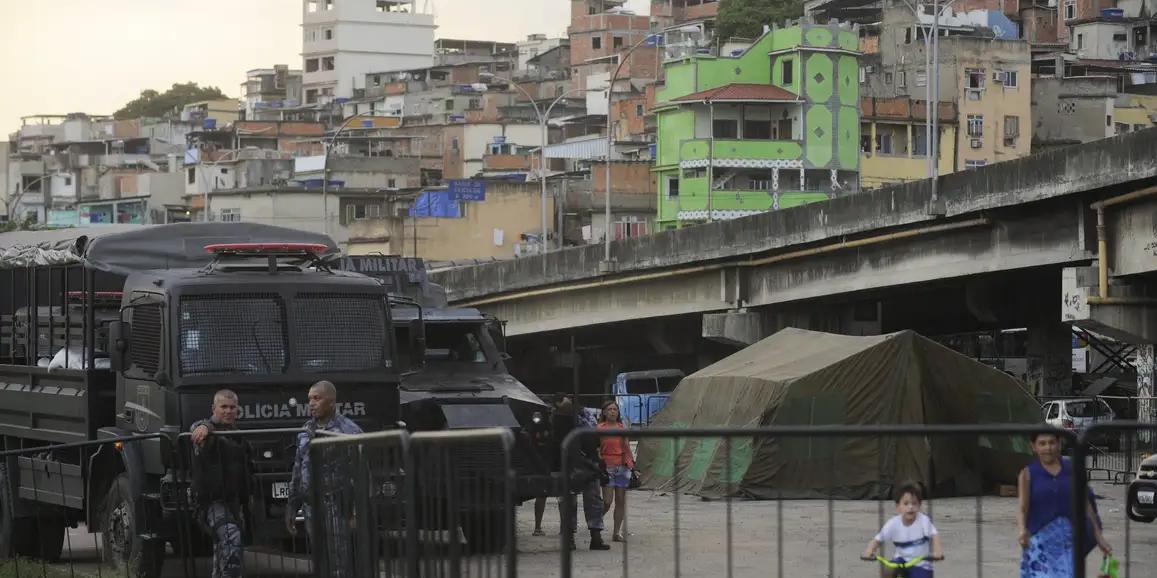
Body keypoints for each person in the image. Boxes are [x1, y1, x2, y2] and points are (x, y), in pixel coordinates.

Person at [285, 381, 364, 577]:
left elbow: (360, 472)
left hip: (336, 505)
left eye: (317, 398)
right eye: (310, 399)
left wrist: (356, 510)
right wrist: (292, 506)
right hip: (312, 506)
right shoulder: (306, 430)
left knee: (339, 560)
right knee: (320, 560)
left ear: (331, 401)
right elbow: (298, 469)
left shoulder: (349, 431)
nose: (311, 403)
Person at [1018, 430, 1111, 578]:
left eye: (1051, 442)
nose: (1048, 447)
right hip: (1039, 543)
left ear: (1059, 444)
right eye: (1042, 443)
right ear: (1033, 446)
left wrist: (1098, 536)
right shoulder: (1027, 474)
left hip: (1068, 541)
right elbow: (1023, 507)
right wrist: (1022, 530)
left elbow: (1085, 504)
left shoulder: (1072, 470)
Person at [190, 390, 249, 578]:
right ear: (214, 408)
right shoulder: (206, 432)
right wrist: (205, 426)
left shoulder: (238, 435)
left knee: (225, 553)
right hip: (212, 502)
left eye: (232, 407)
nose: (228, 411)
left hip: (234, 502)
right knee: (231, 538)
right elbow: (197, 429)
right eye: (223, 407)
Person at [550, 395, 611, 551]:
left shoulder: (586, 418)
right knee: (568, 503)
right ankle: (569, 537)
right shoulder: (559, 419)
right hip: (568, 466)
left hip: (589, 465)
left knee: (594, 501)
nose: (568, 401)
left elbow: (595, 440)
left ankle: (596, 537)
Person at [862, 483, 943, 578]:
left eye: (914, 503)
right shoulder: (893, 523)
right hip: (901, 560)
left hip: (921, 563)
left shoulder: (923, 521)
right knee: (887, 572)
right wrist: (869, 550)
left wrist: (937, 551)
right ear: (898, 507)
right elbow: (878, 539)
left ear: (919, 506)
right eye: (906, 503)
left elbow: (934, 535)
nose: (910, 507)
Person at [598, 400, 634, 542]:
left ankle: (616, 532)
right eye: (610, 409)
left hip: (622, 467)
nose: (613, 411)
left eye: (615, 409)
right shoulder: (599, 428)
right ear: (604, 412)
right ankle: (595, 523)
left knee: (620, 501)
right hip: (607, 467)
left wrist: (631, 464)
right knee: (607, 501)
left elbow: (627, 447)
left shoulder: (622, 427)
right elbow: (595, 447)